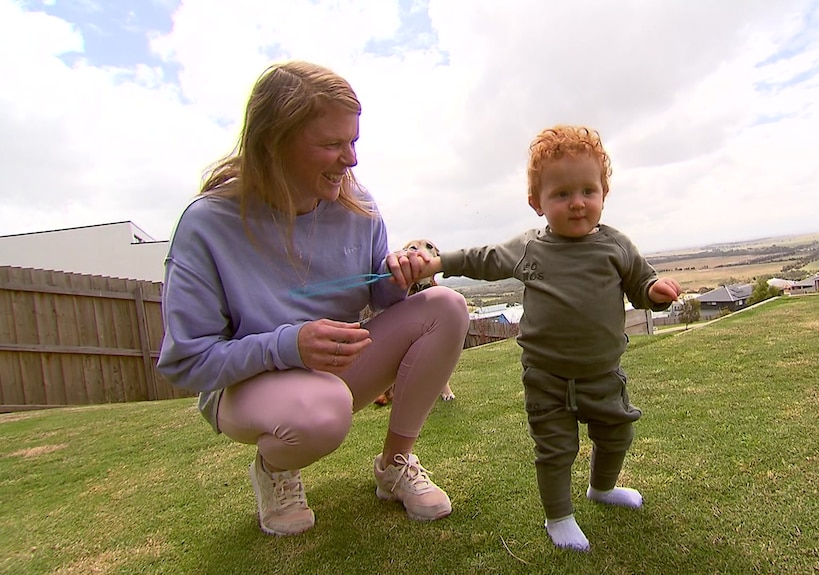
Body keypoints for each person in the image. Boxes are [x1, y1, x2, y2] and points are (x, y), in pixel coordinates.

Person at [157, 61, 469, 537]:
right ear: (272, 145)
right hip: (247, 386)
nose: (351, 160)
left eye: (353, 142)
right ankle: (274, 469)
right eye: (331, 144)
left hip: (332, 373)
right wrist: (288, 345)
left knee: (446, 306)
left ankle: (395, 465)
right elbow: (186, 363)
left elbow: (378, 298)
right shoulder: (207, 224)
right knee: (321, 410)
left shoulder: (358, 205)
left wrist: (396, 279)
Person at [419, 125, 681, 551]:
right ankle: (559, 517)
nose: (577, 203)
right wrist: (438, 261)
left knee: (617, 435)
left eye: (587, 191)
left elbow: (641, 283)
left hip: (603, 374)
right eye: (561, 195)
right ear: (536, 203)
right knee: (556, 450)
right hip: (547, 377)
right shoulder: (530, 248)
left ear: (603, 193)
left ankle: (602, 488)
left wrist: (657, 293)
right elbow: (482, 259)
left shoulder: (617, 246)